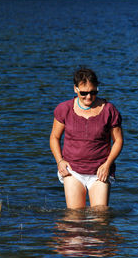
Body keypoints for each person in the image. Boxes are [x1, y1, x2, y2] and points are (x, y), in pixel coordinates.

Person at [50, 67, 123, 210]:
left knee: (100, 216)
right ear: (75, 89)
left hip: (99, 171)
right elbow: (54, 137)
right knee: (75, 218)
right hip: (73, 171)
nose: (89, 97)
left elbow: (118, 141)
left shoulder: (109, 110)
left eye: (93, 92)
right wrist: (59, 161)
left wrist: (107, 165)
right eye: (84, 93)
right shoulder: (64, 109)